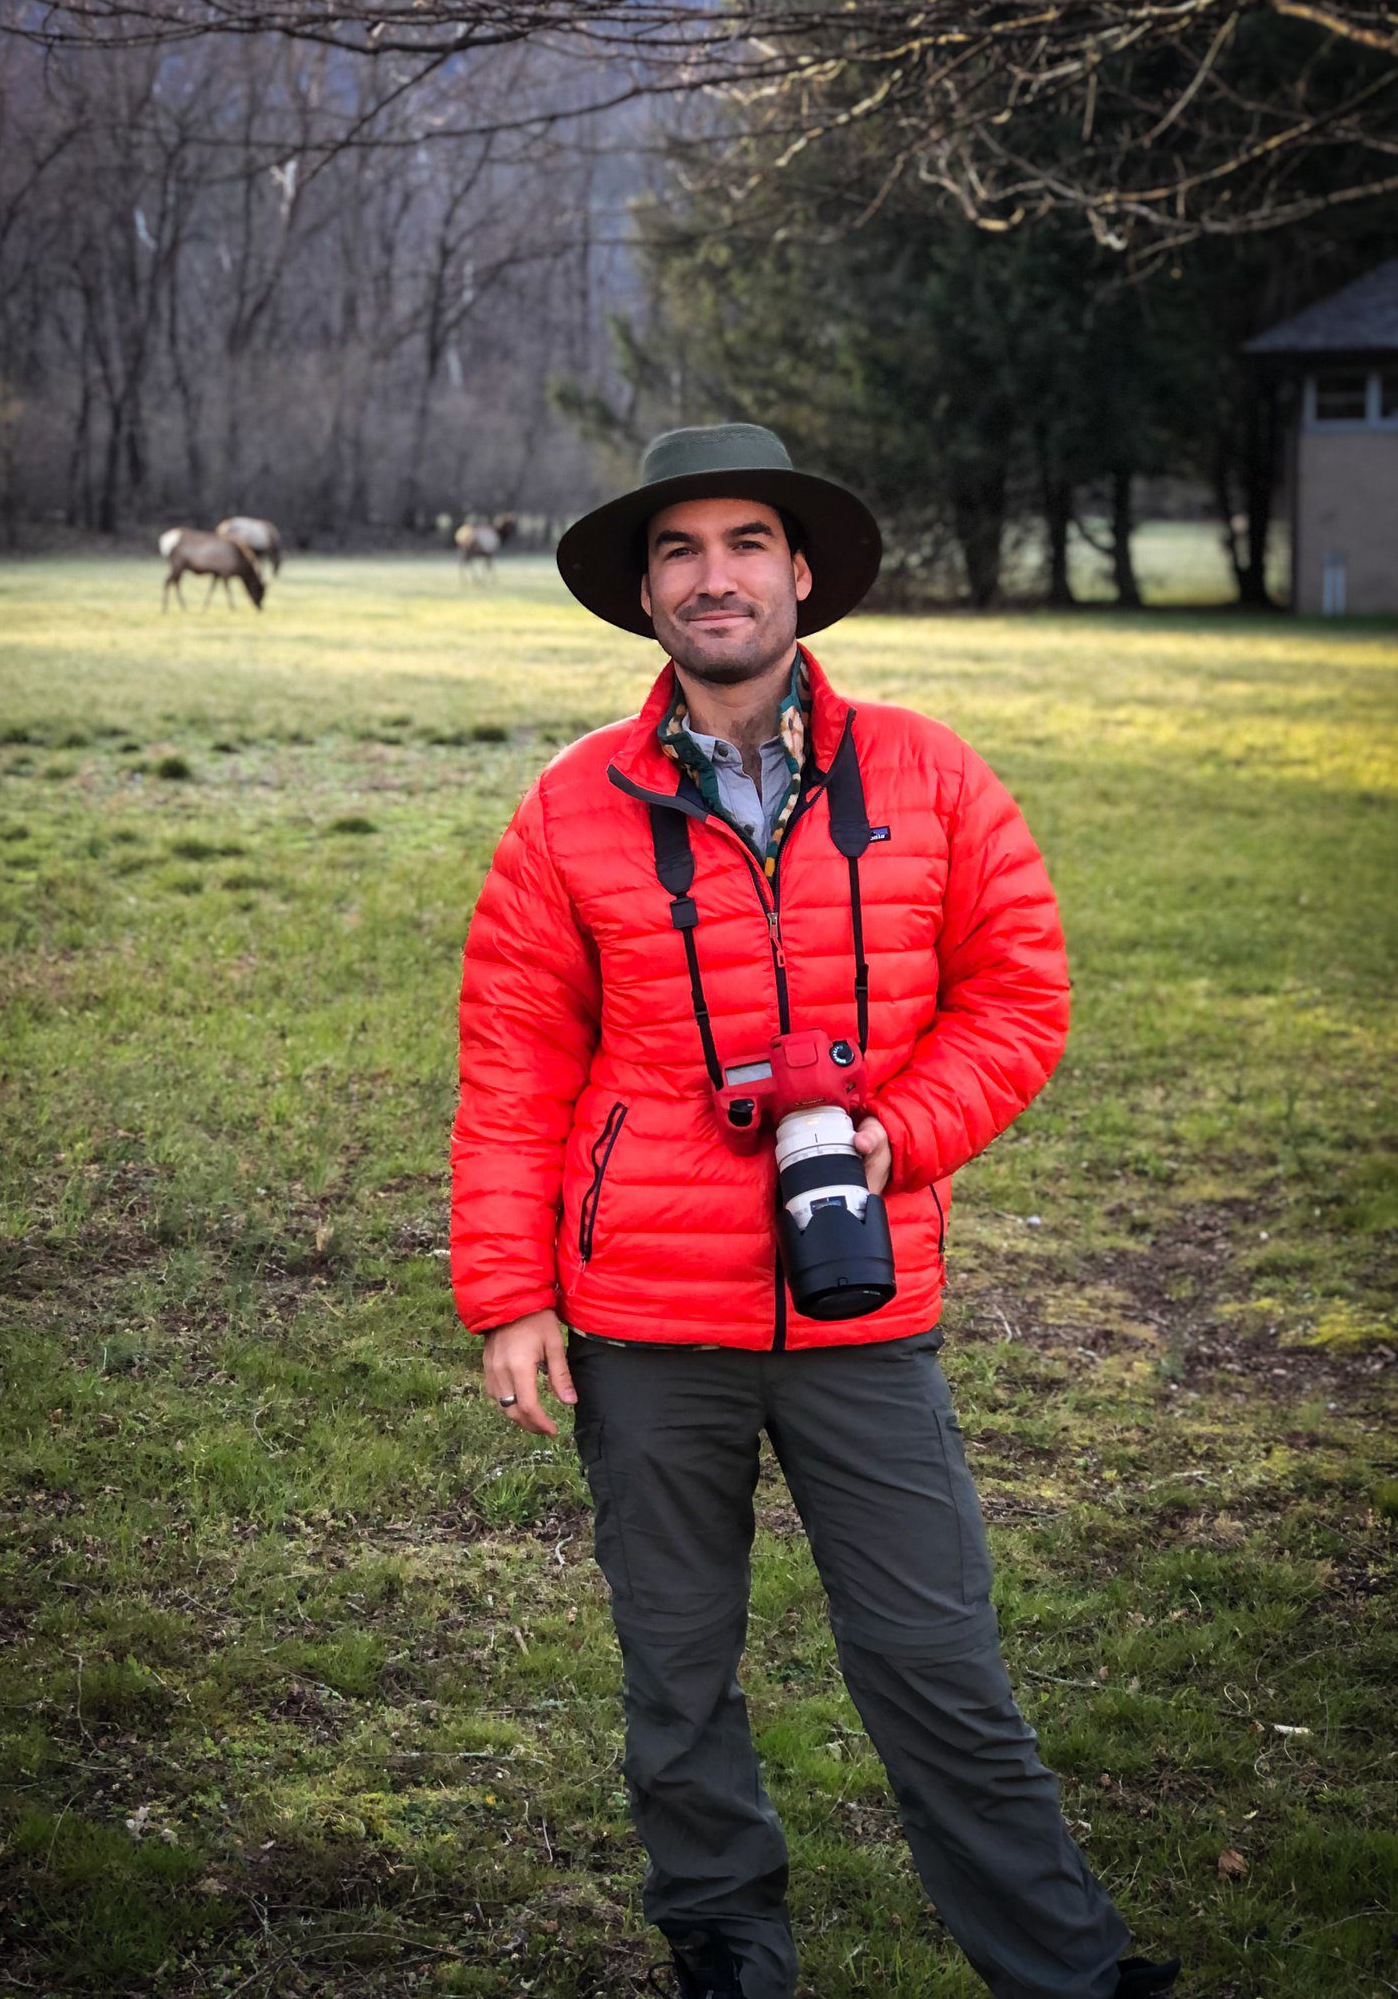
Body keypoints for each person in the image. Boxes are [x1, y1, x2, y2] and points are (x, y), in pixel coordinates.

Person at [449, 423, 1180, 1999]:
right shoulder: (570, 808)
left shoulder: (928, 773)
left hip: (863, 1305)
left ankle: (1066, 1967)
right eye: (679, 551)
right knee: (679, 1670)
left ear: (801, 578)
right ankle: (726, 1946)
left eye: (745, 545)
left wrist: (880, 1142)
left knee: (939, 1664)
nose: (715, 577)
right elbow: (512, 1065)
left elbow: (1021, 995)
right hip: (643, 1315)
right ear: (647, 597)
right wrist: (511, 1293)